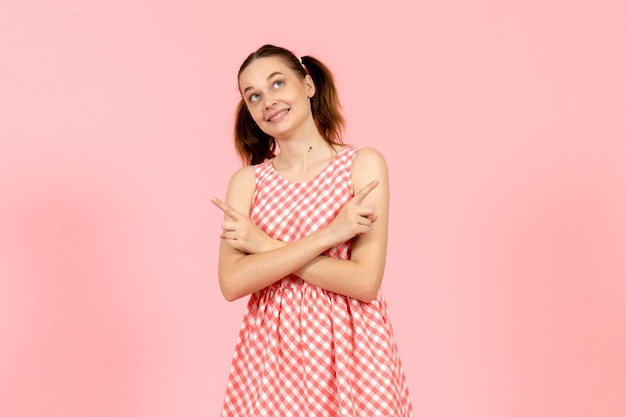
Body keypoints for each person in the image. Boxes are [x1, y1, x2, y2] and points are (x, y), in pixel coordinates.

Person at [212, 44, 413, 416]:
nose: (267, 101)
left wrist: (265, 246)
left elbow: (365, 282)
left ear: (307, 85)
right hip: (273, 352)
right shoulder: (247, 182)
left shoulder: (362, 165)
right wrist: (328, 235)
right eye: (253, 96)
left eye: (277, 84)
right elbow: (232, 283)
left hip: (354, 347)